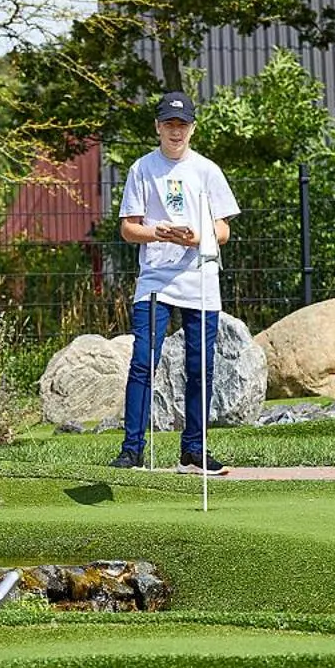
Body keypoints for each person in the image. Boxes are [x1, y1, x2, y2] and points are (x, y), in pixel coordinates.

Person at [108, 91, 238, 475]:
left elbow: (224, 228)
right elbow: (129, 229)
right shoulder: (142, 169)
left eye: (182, 124)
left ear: (192, 128)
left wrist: (198, 236)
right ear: (158, 127)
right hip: (155, 280)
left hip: (200, 279)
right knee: (143, 362)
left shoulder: (208, 170)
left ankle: (194, 450)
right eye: (169, 124)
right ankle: (132, 449)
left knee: (201, 367)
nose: (175, 131)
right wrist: (158, 233)